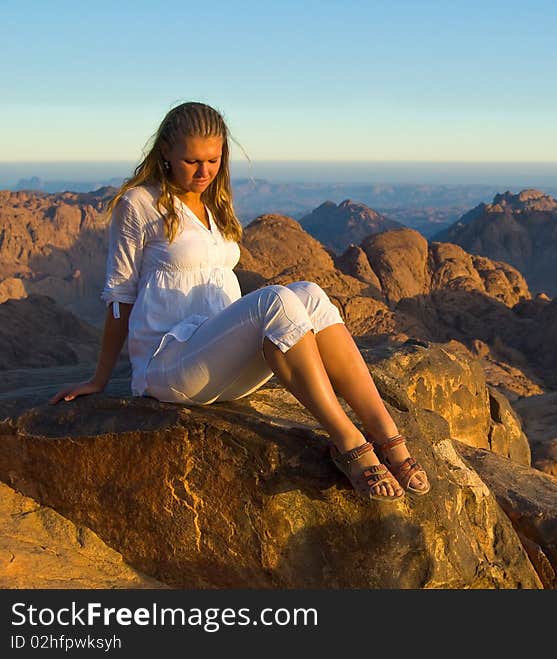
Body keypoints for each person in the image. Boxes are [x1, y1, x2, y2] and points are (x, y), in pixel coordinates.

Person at [51, 101, 429, 502]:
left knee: (310, 294)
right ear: (165, 152)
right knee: (274, 301)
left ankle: (388, 437)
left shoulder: (215, 203)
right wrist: (100, 379)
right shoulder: (140, 204)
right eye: (191, 161)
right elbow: (120, 294)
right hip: (170, 368)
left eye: (212, 160)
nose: (203, 172)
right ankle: (349, 443)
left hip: (224, 366)